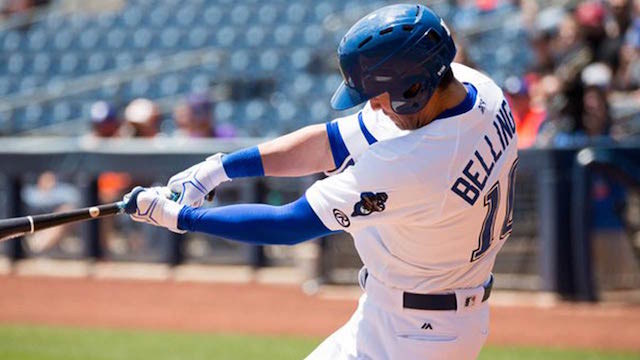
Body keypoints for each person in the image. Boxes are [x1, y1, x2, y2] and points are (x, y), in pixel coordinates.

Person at [123, 4, 518, 359]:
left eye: (378, 95)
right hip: (406, 316)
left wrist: (183, 218)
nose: (373, 106)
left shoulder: (412, 165)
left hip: (416, 339)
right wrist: (218, 168)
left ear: (414, 88)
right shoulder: (480, 88)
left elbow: (289, 224)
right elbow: (329, 143)